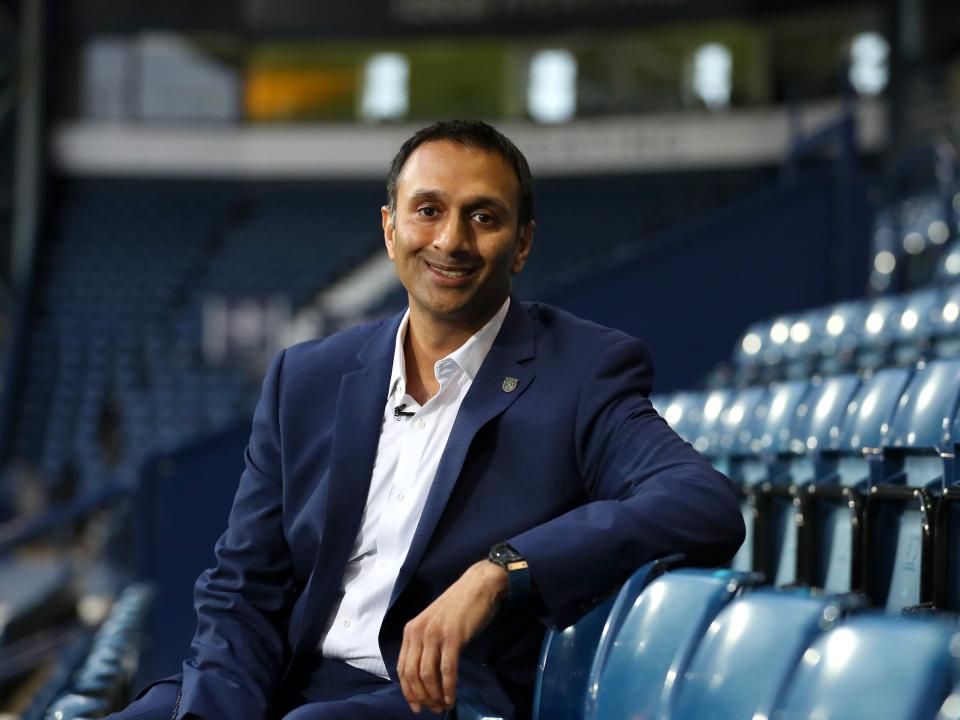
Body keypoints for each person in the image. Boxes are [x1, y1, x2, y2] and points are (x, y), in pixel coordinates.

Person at [107, 120, 744, 720]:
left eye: (484, 217)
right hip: (273, 683)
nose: (451, 241)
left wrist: (504, 570)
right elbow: (244, 585)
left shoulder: (583, 370)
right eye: (428, 210)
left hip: (430, 700)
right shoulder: (304, 378)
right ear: (390, 230)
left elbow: (700, 503)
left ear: (521, 242)